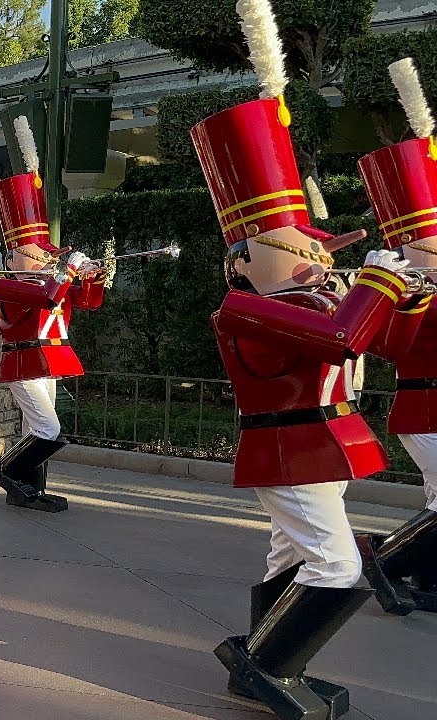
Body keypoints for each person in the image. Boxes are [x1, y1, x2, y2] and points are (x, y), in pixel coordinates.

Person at [191, 5, 406, 716]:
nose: (316, 256)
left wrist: (388, 292)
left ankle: (270, 658)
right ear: (242, 260)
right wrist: (378, 282)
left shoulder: (305, 299)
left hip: (319, 442)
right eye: (299, 247)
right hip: (289, 448)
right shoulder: (245, 308)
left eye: (316, 247)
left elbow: (361, 336)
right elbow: (341, 339)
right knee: (337, 565)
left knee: (289, 556)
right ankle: (264, 665)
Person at [0, 118, 105, 513]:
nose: (45, 259)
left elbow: (86, 302)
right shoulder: (7, 284)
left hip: (50, 358)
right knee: (48, 428)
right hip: (23, 362)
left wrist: (93, 277)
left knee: (34, 428)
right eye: (37, 254)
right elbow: (47, 300)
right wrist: (66, 273)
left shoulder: (51, 281)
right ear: (13, 257)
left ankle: (27, 489)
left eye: (47, 254)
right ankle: (5, 470)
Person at [354, 57, 437, 616]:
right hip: (422, 409)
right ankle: (384, 558)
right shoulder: (405, 290)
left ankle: (424, 578)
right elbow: (390, 346)